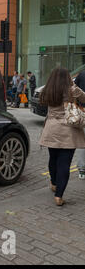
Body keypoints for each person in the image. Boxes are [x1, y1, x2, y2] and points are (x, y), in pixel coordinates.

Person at [39, 67, 85, 206]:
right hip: (67, 131)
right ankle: (59, 196)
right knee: (64, 163)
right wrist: (74, 86)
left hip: (51, 129)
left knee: (53, 158)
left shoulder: (47, 90)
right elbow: (84, 97)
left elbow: (42, 104)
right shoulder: (71, 90)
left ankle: (53, 183)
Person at [74, 69, 85, 179]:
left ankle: (82, 170)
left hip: (83, 110)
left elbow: (74, 90)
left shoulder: (81, 74)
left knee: (82, 141)